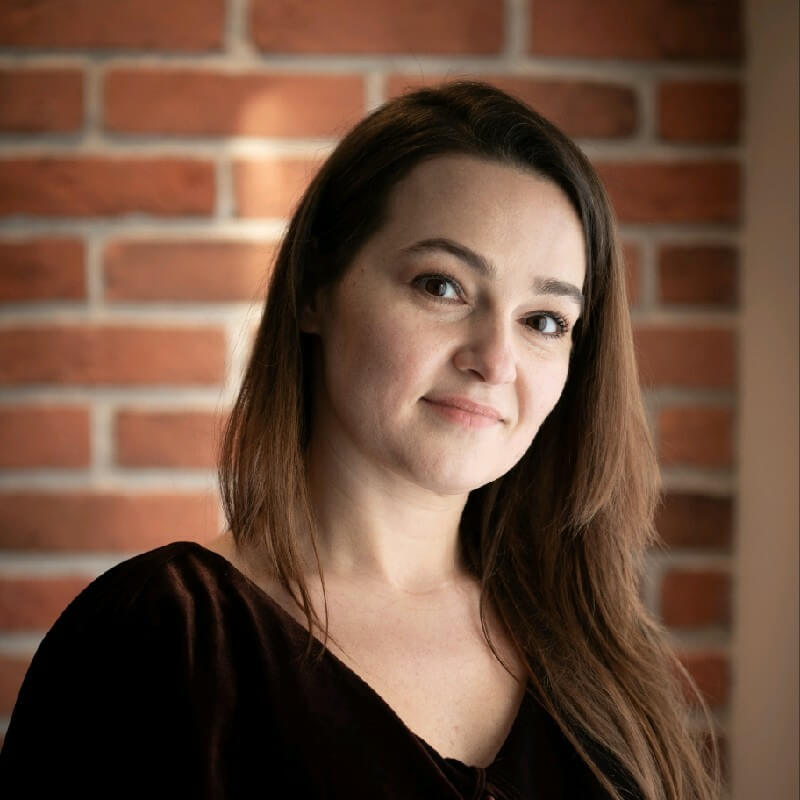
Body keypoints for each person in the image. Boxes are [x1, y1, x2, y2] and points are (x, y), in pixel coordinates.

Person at [0, 81, 718, 799]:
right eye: (442, 286)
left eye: (545, 320)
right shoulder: (160, 639)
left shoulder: (607, 657)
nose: (495, 360)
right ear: (316, 288)